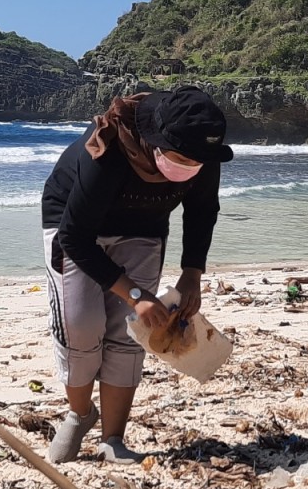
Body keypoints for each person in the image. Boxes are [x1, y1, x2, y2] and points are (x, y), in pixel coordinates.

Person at [41, 85, 233, 464]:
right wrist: (134, 293)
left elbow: (202, 212)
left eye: (195, 162)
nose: (188, 167)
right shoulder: (108, 151)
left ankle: (113, 438)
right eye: (179, 158)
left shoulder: (202, 152)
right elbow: (75, 238)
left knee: (130, 331)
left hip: (144, 228)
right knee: (81, 323)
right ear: (154, 140)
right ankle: (80, 413)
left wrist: (192, 273)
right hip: (74, 226)